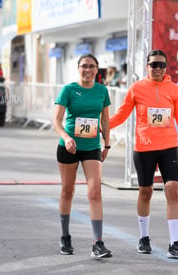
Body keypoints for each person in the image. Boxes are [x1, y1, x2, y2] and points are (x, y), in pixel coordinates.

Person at [109, 49, 178, 259]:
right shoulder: (137, 88)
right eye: (153, 64)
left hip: (168, 147)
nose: (157, 68)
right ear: (147, 66)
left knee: (173, 190)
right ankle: (144, 238)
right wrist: (101, 126)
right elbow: (121, 114)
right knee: (145, 192)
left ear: (166, 68)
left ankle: (174, 243)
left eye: (161, 65)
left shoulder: (174, 89)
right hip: (144, 149)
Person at [52, 54, 112, 258]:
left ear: (97, 70)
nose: (87, 69)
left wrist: (107, 144)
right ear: (78, 69)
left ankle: (98, 242)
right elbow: (57, 121)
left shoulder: (102, 91)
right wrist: (66, 138)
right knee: (67, 191)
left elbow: (105, 120)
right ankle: (65, 236)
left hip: (92, 147)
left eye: (91, 66)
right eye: (84, 66)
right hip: (69, 146)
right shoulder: (68, 90)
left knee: (95, 191)